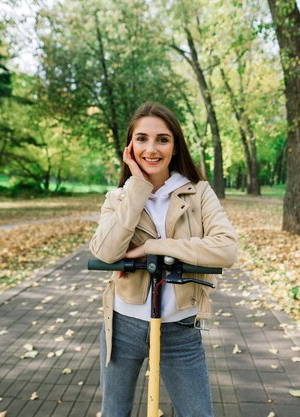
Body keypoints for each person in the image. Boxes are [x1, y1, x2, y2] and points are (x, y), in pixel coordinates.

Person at [89, 102, 238, 417]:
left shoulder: (199, 193)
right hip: (123, 324)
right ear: (130, 146)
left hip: (179, 328)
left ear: (175, 146)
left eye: (162, 139)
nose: (151, 148)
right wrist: (138, 187)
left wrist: (155, 247)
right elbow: (105, 252)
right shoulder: (118, 198)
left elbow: (226, 249)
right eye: (141, 139)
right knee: (114, 413)